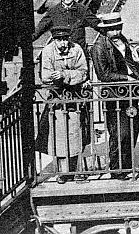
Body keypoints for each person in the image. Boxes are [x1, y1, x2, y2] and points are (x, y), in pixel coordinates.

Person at [89, 13, 139, 179]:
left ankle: (127, 166)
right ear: (105, 30)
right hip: (114, 96)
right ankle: (116, 170)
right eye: (113, 29)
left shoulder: (122, 39)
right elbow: (103, 74)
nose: (117, 31)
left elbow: (128, 59)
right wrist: (126, 78)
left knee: (133, 128)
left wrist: (138, 59)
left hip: (130, 92)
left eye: (118, 28)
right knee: (119, 133)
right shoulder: (99, 47)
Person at [36, 21, 90, 183]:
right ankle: (61, 172)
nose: (63, 43)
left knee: (75, 133)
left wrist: (64, 75)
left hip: (75, 99)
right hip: (57, 100)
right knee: (58, 136)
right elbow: (45, 76)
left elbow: (83, 72)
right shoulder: (47, 52)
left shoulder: (76, 49)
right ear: (54, 40)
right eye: (59, 40)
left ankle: (75, 170)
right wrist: (65, 78)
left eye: (65, 39)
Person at [34, 0, 98, 50]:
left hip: (79, 54)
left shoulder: (82, 10)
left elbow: (97, 24)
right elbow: (38, 30)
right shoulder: (53, 12)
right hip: (60, 54)